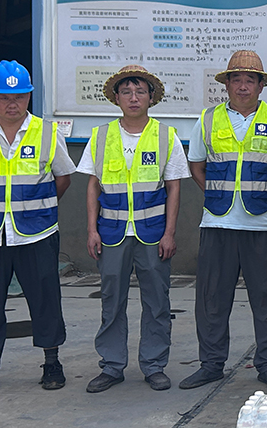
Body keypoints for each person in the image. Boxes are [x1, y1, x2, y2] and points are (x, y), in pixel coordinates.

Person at [0, 60, 76, 395]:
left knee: (45, 299)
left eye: (19, 96)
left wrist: (35, 208)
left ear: (29, 97)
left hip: (37, 233)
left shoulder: (48, 132)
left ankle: (52, 363)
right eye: (4, 97)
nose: (12, 103)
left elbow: (63, 179)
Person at [181, 51, 267, 391]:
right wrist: (218, 194)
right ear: (227, 84)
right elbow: (196, 166)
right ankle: (211, 364)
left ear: (261, 86)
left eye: (250, 80)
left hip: (261, 225)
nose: (243, 86)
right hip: (217, 224)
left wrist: (263, 198)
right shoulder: (207, 120)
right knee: (212, 300)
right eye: (237, 79)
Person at [77, 65, 187, 393]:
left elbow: (174, 188)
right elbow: (93, 185)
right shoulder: (101, 136)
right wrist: (91, 230)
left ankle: (154, 365)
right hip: (111, 234)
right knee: (111, 301)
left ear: (152, 97)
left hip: (152, 234)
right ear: (116, 98)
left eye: (140, 91)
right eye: (126, 92)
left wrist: (169, 233)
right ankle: (111, 365)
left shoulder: (166, 136)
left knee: (157, 302)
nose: (134, 98)